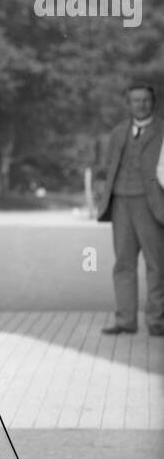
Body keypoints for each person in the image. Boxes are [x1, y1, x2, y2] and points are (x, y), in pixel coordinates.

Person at [96, 82, 164, 335]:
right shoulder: (118, 132)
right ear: (129, 103)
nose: (141, 104)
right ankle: (125, 320)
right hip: (120, 202)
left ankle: (157, 323)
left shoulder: (162, 130)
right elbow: (110, 166)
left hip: (152, 204)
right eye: (136, 100)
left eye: (146, 100)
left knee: (157, 265)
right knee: (123, 263)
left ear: (153, 102)